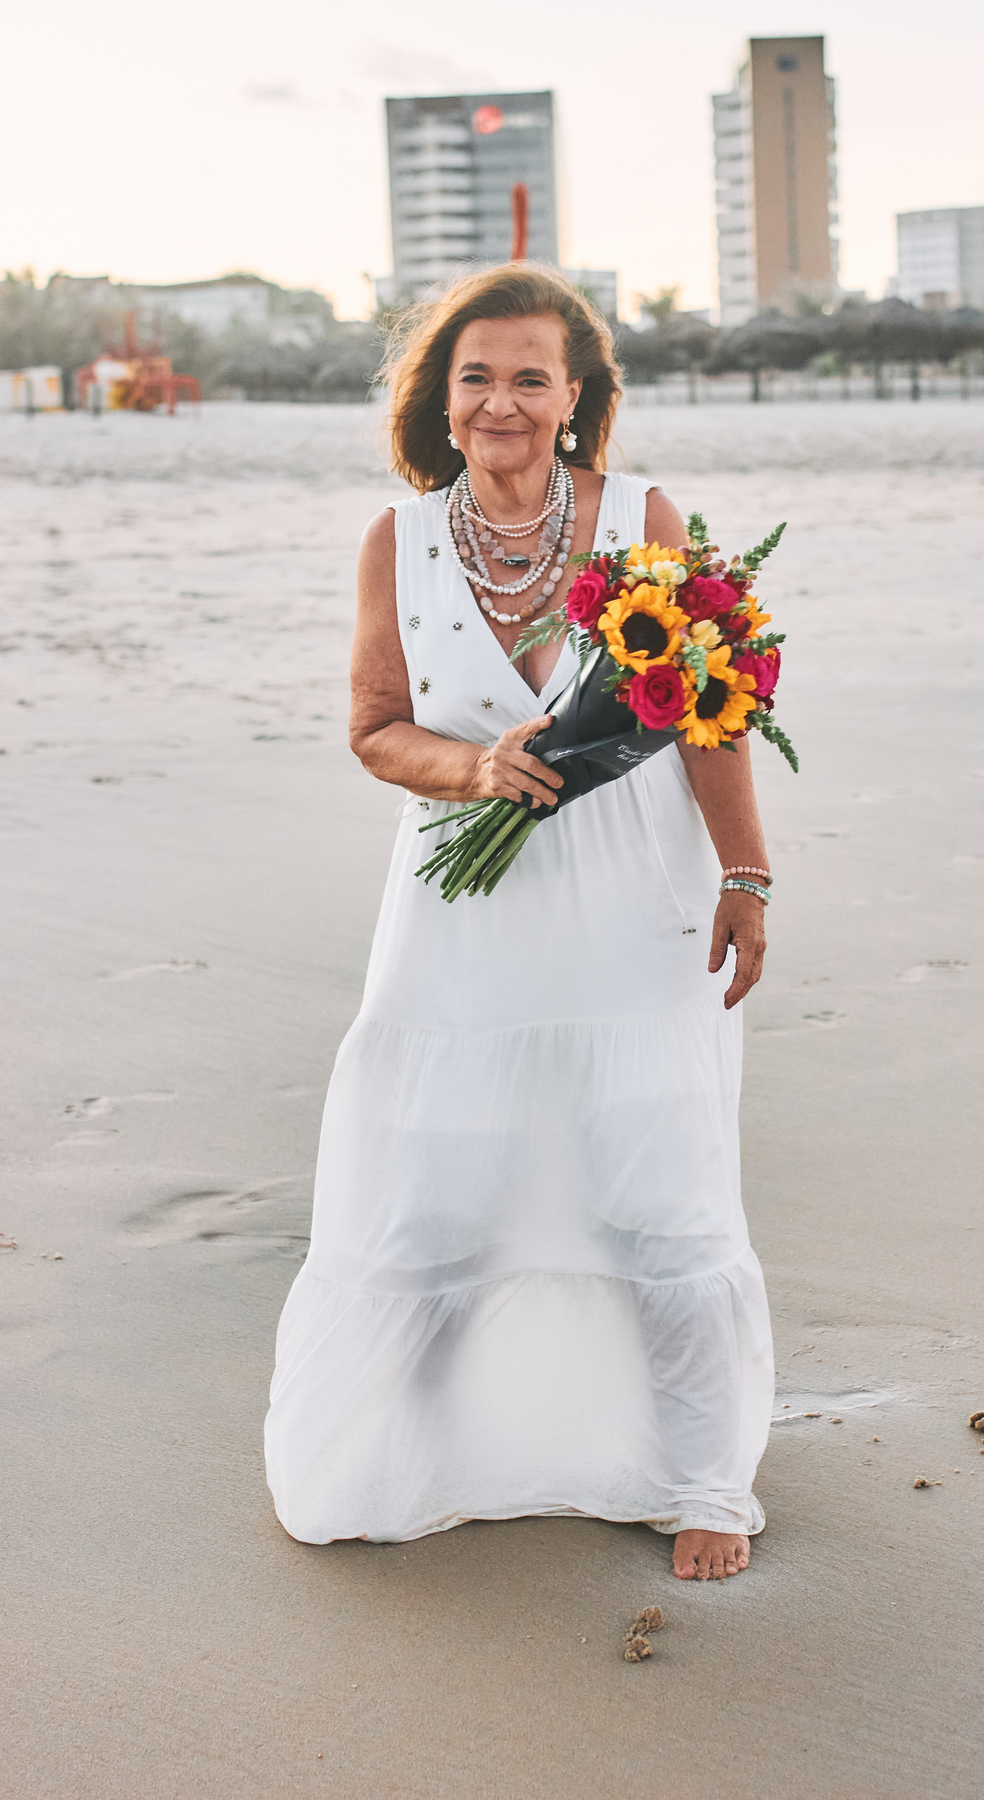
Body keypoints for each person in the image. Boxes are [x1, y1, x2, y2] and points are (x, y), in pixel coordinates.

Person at [264, 265, 775, 1582]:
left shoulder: (644, 514)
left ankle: (702, 1475)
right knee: (437, 1185)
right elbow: (378, 729)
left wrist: (747, 875)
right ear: (439, 397)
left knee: (654, 1188)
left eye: (530, 375)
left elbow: (707, 711)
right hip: (461, 909)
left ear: (576, 395)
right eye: (475, 374)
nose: (502, 398)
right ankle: (403, 1446)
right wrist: (480, 769)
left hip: (630, 897)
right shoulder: (397, 538)